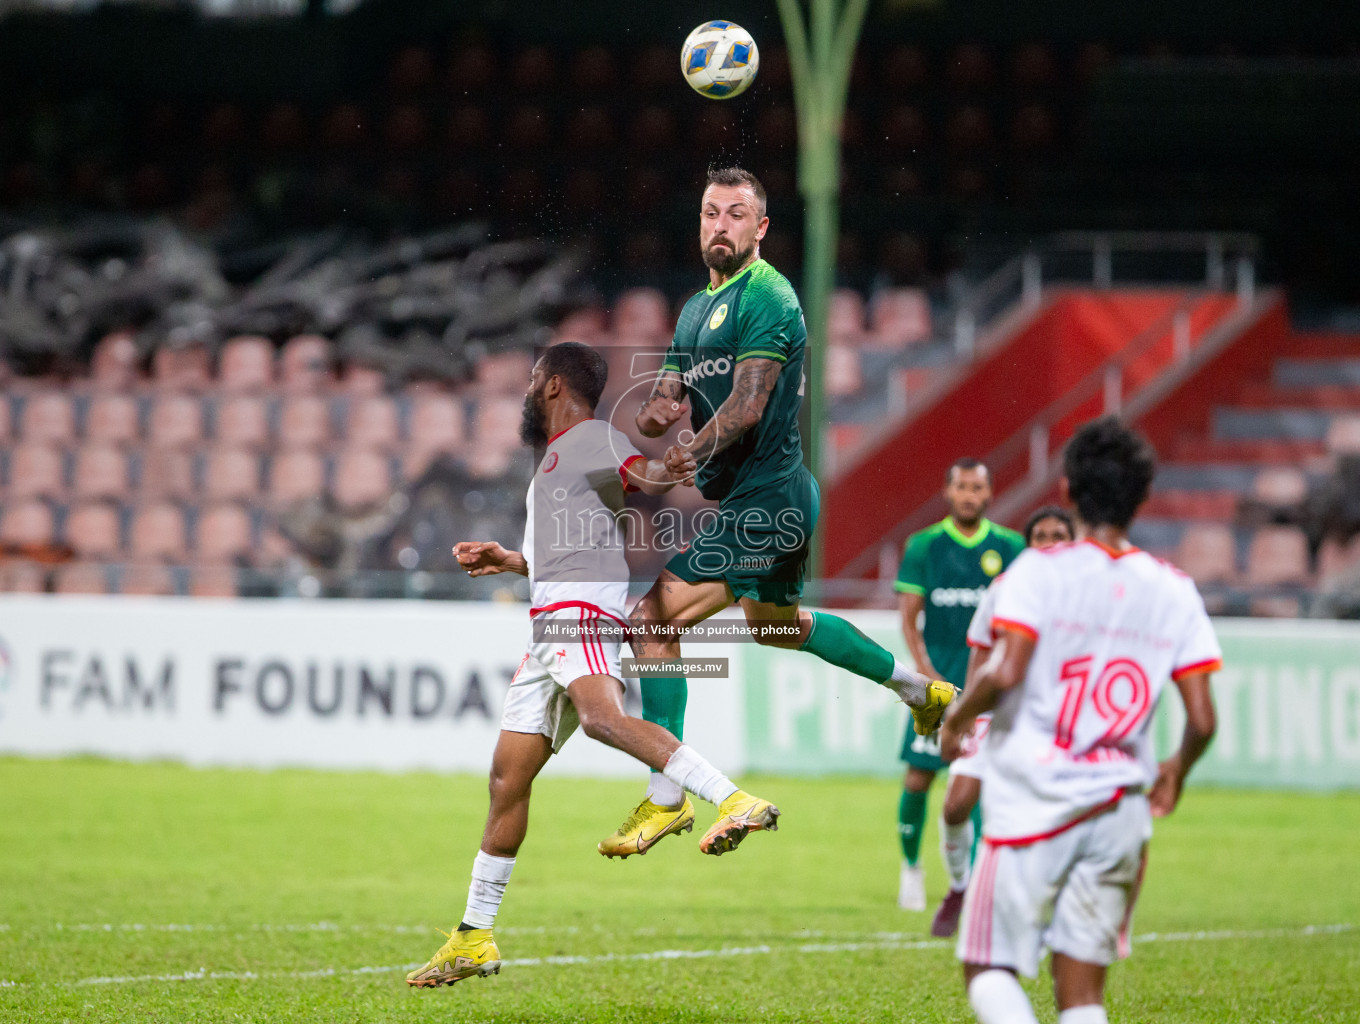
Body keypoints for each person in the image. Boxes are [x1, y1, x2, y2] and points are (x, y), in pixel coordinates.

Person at [598, 167, 954, 858]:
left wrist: (689, 451)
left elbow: (749, 403)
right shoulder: (695, 308)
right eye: (709, 213)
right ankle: (920, 691)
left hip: (767, 500)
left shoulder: (769, 296)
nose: (719, 225)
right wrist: (657, 410)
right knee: (775, 627)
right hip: (776, 499)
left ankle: (666, 798)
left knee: (653, 619)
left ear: (760, 228)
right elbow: (659, 401)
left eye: (736, 214)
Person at [407, 342, 781, 989]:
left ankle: (735, 799)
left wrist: (677, 463)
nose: (528, 390)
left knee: (606, 720)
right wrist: (510, 559)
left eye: (532, 379)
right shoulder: (559, 460)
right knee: (506, 780)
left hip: (576, 616)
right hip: (547, 627)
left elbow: (646, 476)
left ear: (552, 384)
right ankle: (473, 937)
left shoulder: (587, 438)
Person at [937, 417, 1219, 1024]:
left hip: (1034, 803)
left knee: (986, 968)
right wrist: (1177, 769)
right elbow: (1202, 716)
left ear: (1066, 491)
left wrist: (957, 718)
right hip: (1120, 808)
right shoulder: (1174, 588)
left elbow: (1006, 670)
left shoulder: (1038, 571)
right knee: (1083, 993)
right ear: (1144, 499)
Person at [930, 505, 1074, 937]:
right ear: (1028, 546)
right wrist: (967, 713)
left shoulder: (1084, 592)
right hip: (996, 711)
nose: (1050, 544)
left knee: (1040, 814)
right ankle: (959, 887)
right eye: (1041, 536)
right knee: (956, 804)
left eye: (1059, 536)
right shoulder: (1006, 588)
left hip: (1052, 720)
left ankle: (1045, 908)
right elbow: (980, 648)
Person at [892, 459, 1025, 910]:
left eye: (977, 487)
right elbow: (909, 619)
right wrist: (926, 674)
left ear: (989, 494)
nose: (969, 494)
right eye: (962, 487)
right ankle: (911, 868)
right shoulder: (924, 545)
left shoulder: (1010, 546)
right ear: (948, 492)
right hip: (937, 682)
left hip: (989, 687)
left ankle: (972, 884)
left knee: (978, 784)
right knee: (918, 778)